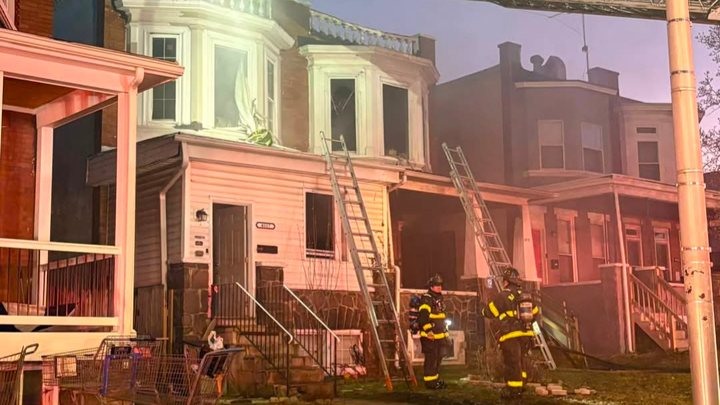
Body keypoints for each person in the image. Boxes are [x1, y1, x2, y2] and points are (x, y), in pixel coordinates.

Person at [482, 267, 539, 399]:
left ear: (506, 281)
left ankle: (514, 391)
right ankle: (522, 385)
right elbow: (535, 313)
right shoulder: (526, 295)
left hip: (510, 334)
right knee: (521, 359)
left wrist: (483, 309)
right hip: (525, 334)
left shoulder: (503, 295)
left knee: (512, 362)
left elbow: (490, 312)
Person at [418, 274, 449, 389]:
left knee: (437, 359)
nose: (439, 287)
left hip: (439, 336)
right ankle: (430, 383)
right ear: (431, 287)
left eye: (440, 285)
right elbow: (423, 316)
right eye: (436, 285)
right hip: (430, 336)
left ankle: (435, 381)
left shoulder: (438, 299)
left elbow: (440, 317)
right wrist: (429, 330)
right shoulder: (427, 299)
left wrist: (445, 332)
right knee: (431, 360)